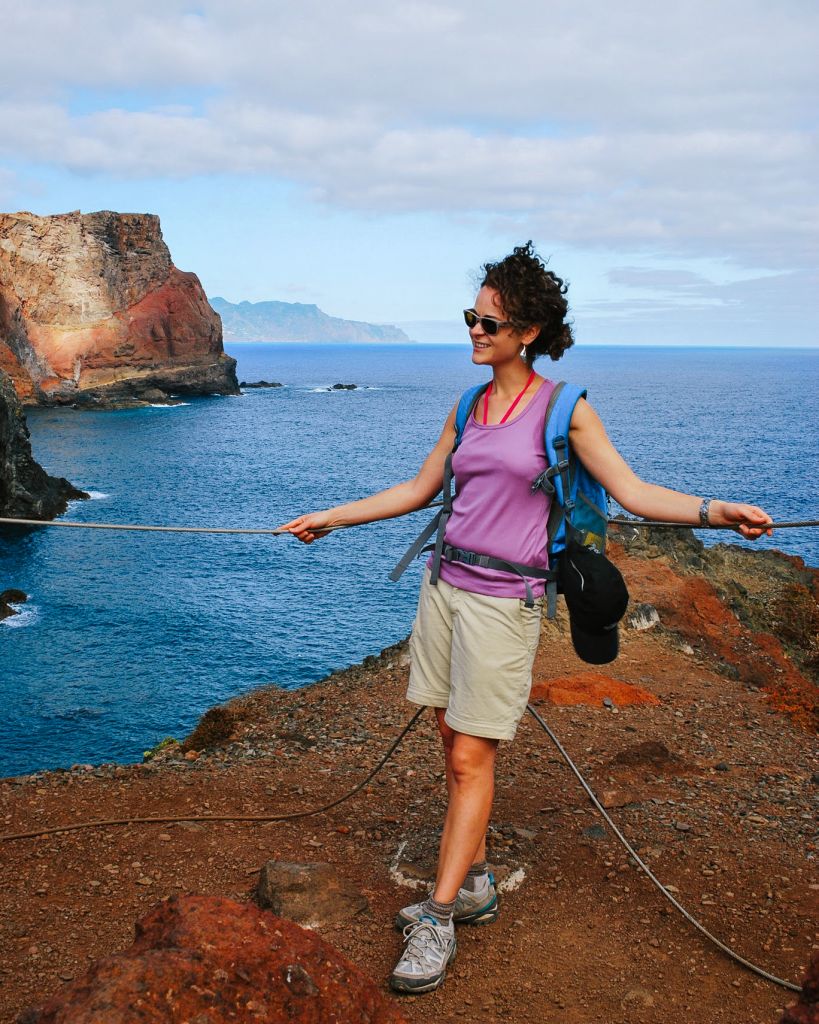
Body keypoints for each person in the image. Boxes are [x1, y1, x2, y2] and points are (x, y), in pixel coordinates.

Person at [279, 242, 772, 995]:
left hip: (503, 605)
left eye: (488, 320)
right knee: (450, 745)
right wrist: (330, 518)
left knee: (473, 758)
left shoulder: (564, 409)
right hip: (443, 589)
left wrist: (716, 511)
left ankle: (439, 917)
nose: (473, 329)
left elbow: (633, 492)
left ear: (528, 331)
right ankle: (472, 881)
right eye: (470, 316)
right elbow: (418, 490)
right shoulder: (469, 406)